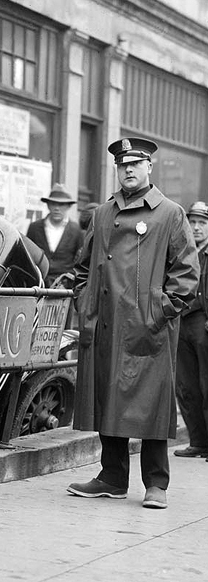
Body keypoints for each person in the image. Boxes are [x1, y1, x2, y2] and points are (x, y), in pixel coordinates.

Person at [67, 137, 199, 510]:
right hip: (107, 322)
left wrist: (159, 311)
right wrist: (86, 302)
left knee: (151, 404)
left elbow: (187, 274)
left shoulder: (170, 213)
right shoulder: (102, 214)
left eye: (135, 164)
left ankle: (157, 483)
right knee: (109, 398)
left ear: (149, 168)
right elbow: (82, 268)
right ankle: (111, 477)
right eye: (122, 165)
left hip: (148, 328)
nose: (128, 170)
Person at [173, 201, 208, 458]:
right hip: (182, 320)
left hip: (203, 323)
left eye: (202, 224)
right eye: (192, 222)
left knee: (207, 384)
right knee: (186, 385)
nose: (196, 228)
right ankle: (198, 441)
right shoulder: (184, 251)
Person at [25, 183, 83, 286]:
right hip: (38, 285)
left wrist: (67, 283)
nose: (57, 208)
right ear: (48, 205)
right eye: (53, 204)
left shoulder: (75, 230)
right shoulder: (35, 228)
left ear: (68, 206)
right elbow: (27, 257)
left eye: (61, 204)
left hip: (65, 288)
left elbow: (79, 263)